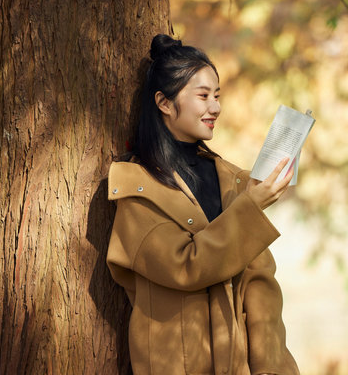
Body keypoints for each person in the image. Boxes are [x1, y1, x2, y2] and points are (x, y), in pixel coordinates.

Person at [106, 34, 300, 375]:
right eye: (203, 95)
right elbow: (185, 266)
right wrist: (251, 209)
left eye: (217, 95)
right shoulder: (138, 187)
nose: (215, 107)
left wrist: (270, 367)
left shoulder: (232, 180)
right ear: (164, 103)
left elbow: (260, 284)